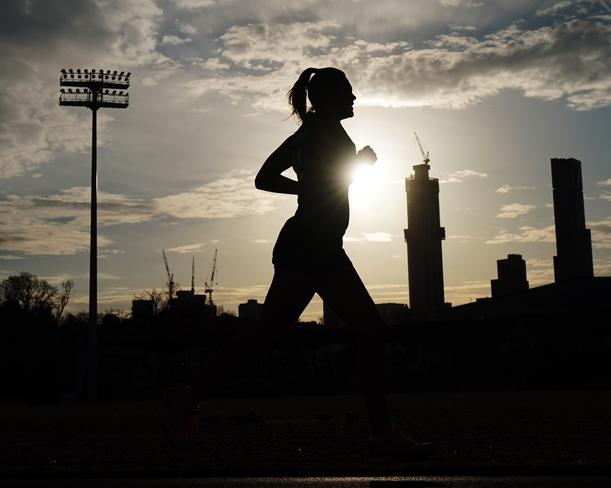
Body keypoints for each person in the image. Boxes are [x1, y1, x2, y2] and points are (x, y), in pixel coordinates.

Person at [163, 67, 431, 457]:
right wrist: (360, 165)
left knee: (266, 335)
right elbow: (324, 183)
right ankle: (382, 435)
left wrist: (327, 177)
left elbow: (267, 178)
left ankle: (187, 399)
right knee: (370, 331)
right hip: (316, 245)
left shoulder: (307, 134)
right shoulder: (328, 134)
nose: (355, 99)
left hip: (307, 243)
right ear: (328, 98)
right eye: (348, 93)